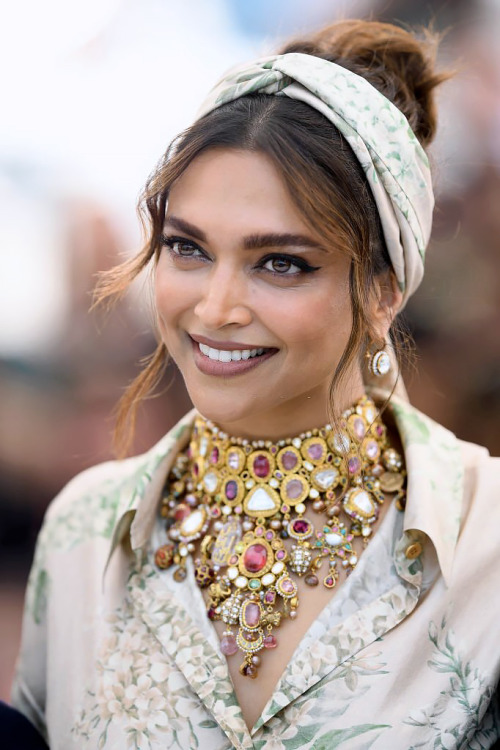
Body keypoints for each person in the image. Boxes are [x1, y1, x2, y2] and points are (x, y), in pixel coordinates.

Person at [11, 18, 500, 750]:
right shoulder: (85, 532)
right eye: (188, 248)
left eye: (280, 263)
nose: (215, 308)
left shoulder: (485, 544)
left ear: (383, 291)